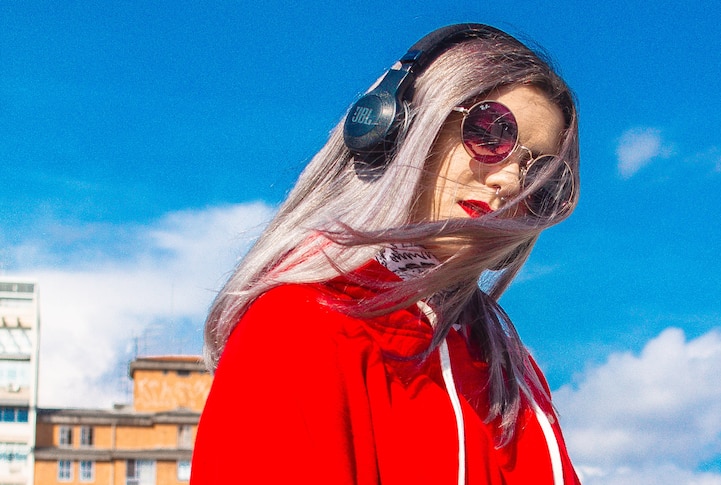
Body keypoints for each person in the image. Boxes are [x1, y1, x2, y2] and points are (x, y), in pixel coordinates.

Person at [191, 23, 581, 485]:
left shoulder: (515, 379)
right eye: (491, 133)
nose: (511, 183)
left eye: (541, 175)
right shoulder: (297, 326)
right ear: (393, 128)